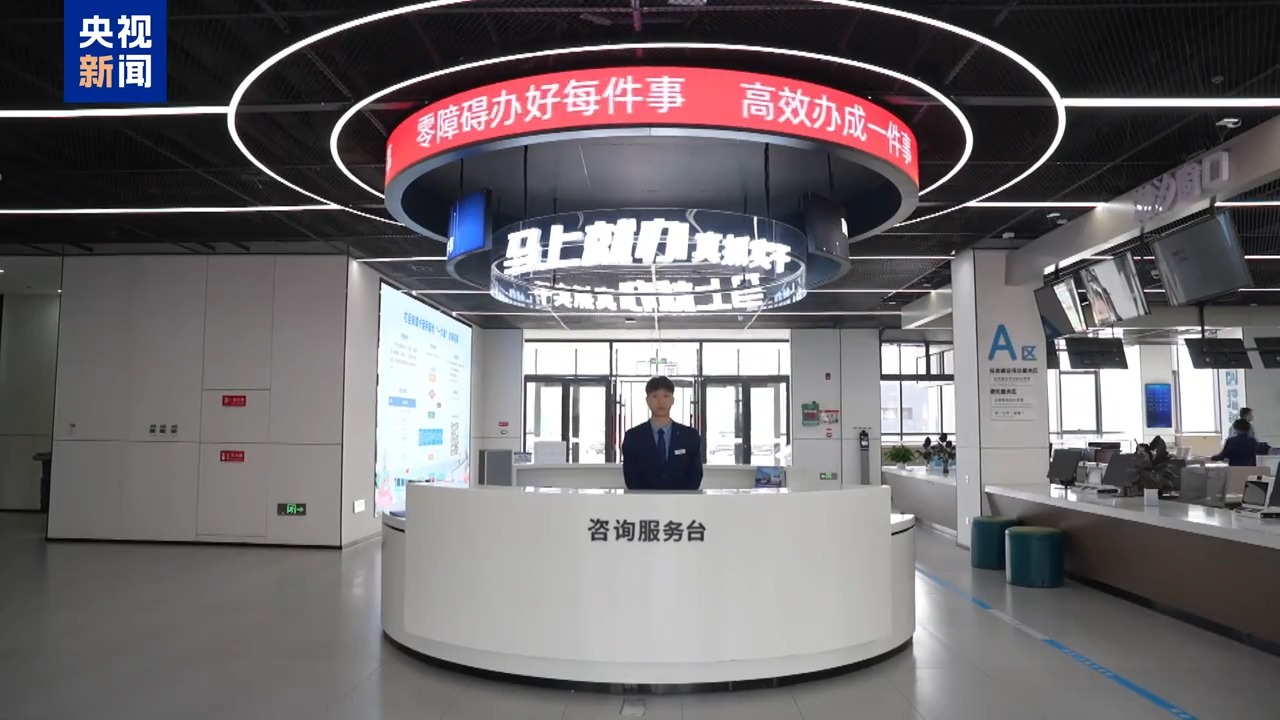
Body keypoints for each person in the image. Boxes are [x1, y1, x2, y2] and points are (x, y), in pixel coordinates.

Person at [621, 376, 704, 491]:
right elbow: (631, 478)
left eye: (666, 396)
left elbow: (695, 475)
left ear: (672, 400)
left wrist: (678, 498)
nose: (660, 402)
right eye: (655, 396)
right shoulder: (633, 437)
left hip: (682, 500)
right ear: (647, 400)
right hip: (644, 500)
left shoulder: (690, 436)